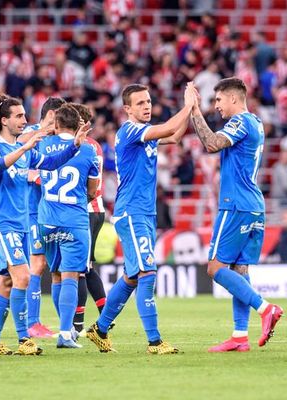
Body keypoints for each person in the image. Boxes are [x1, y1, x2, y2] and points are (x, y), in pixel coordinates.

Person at [86, 83, 193, 354]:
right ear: (127, 109)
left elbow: (175, 135)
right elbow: (169, 127)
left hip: (143, 211)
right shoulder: (131, 130)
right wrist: (188, 105)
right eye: (141, 103)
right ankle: (154, 341)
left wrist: (193, 109)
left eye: (148, 101)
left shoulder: (145, 134)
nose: (147, 106)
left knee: (133, 276)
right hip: (132, 211)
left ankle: (100, 329)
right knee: (147, 272)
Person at [0, 93, 87, 356]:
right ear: (4, 120)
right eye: (18, 116)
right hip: (2, 223)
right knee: (23, 277)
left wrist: (74, 145)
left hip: (21, 225)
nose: (24, 120)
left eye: (25, 115)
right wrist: (24, 148)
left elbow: (49, 163)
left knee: (6, 283)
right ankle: (24, 338)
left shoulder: (24, 152)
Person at [189, 77, 283, 353]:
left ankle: (266, 309)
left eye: (218, 100)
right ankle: (240, 335)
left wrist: (194, 111)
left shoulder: (240, 121)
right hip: (254, 205)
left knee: (215, 268)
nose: (216, 105)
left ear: (233, 98)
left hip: (236, 205)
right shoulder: (256, 122)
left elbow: (212, 143)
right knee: (240, 271)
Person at [37, 103, 99, 349]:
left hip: (46, 221)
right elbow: (93, 191)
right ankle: (66, 332)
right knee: (71, 275)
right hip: (74, 220)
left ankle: (64, 330)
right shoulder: (87, 150)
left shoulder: (42, 144)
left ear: (57, 125)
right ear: (77, 127)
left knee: (55, 275)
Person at [21, 96, 64, 339]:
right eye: (52, 118)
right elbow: (17, 150)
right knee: (37, 265)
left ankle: (67, 325)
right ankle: (32, 323)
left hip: (53, 210)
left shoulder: (58, 140)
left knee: (57, 267)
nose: (55, 124)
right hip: (33, 210)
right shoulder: (32, 133)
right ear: (45, 116)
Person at [69, 102, 110, 337]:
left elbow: (86, 185)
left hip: (85, 210)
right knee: (86, 266)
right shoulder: (95, 145)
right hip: (95, 209)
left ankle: (77, 326)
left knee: (79, 270)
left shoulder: (82, 146)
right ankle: (106, 314)